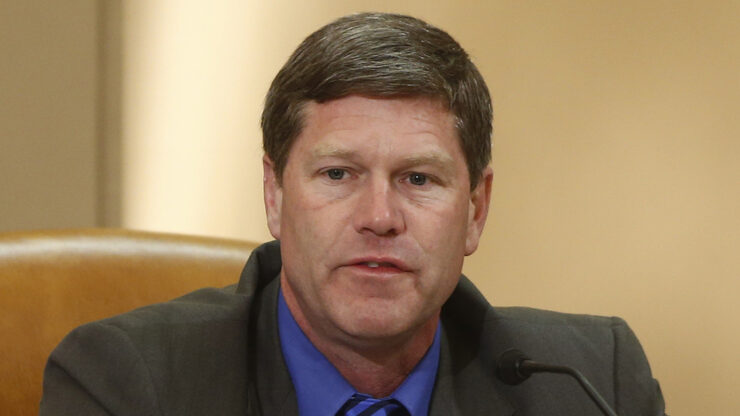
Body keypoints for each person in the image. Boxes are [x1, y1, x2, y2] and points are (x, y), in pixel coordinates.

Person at [41, 12, 665, 416]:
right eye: (338, 174)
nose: (380, 216)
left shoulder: (590, 383)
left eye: (418, 179)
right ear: (274, 195)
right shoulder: (127, 385)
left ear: (476, 210)